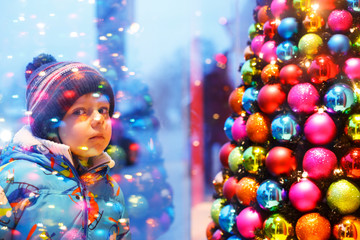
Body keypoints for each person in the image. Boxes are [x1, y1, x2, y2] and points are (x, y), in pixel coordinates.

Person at [0, 54, 131, 239]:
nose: (98, 119)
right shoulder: (13, 180)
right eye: (79, 111)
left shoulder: (110, 190)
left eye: (103, 110)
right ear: (50, 126)